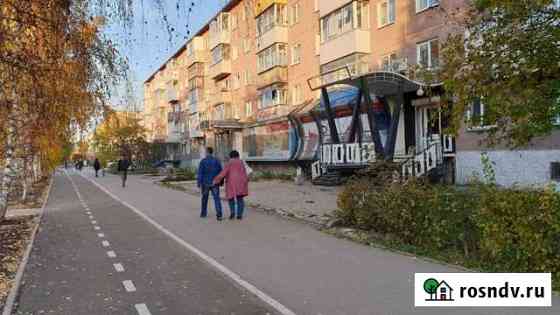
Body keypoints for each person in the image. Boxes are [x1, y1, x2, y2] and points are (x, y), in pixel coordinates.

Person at [213, 150, 249, 220]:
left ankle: (232, 213)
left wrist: (216, 180)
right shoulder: (242, 162)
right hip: (241, 183)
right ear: (238, 155)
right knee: (240, 199)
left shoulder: (229, 163)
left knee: (231, 198)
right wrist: (246, 181)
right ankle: (239, 215)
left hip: (231, 183)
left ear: (230, 156)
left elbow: (223, 173)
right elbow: (245, 172)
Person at [197, 147, 223, 220]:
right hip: (215, 183)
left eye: (205, 152)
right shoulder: (217, 161)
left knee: (204, 199)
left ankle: (203, 213)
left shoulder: (203, 161)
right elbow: (220, 172)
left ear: (207, 152)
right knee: (217, 198)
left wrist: (199, 183)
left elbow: (200, 173)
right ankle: (219, 215)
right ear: (212, 152)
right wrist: (221, 182)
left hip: (205, 183)